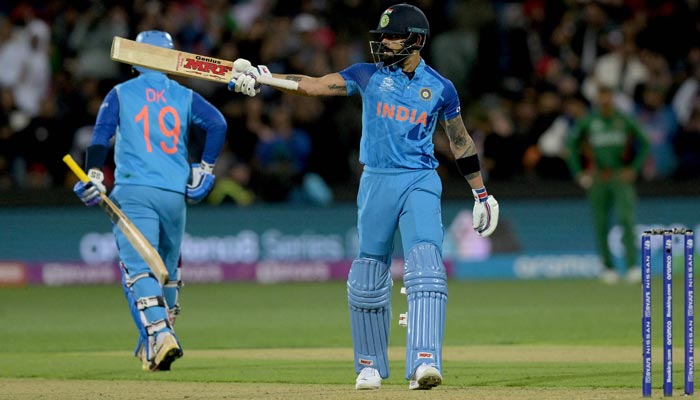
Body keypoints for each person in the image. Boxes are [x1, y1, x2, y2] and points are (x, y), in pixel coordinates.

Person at [229, 3, 499, 390]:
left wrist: (481, 193)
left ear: (417, 40)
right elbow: (315, 84)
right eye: (383, 36)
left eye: (393, 36)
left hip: (420, 179)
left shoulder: (440, 87)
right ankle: (369, 365)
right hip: (375, 181)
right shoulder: (366, 75)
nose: (385, 43)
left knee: (426, 265)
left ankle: (425, 361)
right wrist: (265, 78)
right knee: (368, 275)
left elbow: (460, 141)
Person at [72, 30, 227, 371]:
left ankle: (160, 335)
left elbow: (100, 137)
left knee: (139, 268)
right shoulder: (183, 94)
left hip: (134, 192)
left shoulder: (121, 93)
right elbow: (217, 123)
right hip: (175, 196)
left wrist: (94, 174)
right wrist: (205, 169)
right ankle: (155, 346)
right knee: (168, 274)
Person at [566, 84, 650, 284]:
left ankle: (632, 266)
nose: (604, 101)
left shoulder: (623, 120)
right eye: (601, 97)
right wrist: (579, 173)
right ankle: (607, 267)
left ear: (612, 99)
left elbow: (645, 142)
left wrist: (634, 168)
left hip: (619, 177)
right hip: (598, 179)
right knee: (601, 224)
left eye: (608, 97)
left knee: (626, 220)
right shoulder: (589, 122)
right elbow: (570, 145)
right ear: (597, 99)